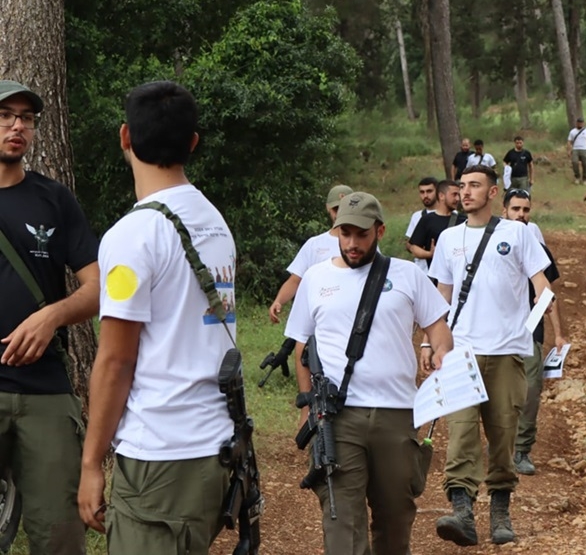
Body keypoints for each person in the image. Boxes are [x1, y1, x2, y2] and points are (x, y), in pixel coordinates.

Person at [79, 81, 235, 553]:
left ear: (125, 136)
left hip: (160, 455)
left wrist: (90, 464)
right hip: (215, 446)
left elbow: (115, 361)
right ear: (193, 143)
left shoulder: (133, 236)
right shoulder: (213, 221)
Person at [285, 191, 454, 554]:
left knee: (395, 520)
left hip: (397, 415)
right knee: (341, 521)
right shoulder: (316, 278)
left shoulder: (407, 275)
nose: (352, 243)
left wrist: (439, 351)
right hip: (338, 417)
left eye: (360, 234)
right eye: (344, 233)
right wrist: (306, 411)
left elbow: (439, 330)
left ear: (379, 231)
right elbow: (301, 347)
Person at [427, 165, 552, 547]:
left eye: (474, 186)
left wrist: (523, 333)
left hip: (506, 353)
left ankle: (500, 511)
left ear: (493, 192)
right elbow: (441, 297)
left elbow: (543, 289)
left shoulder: (518, 233)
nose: (465, 192)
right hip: (461, 352)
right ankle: (463, 512)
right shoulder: (448, 239)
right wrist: (428, 344)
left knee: (502, 434)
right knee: (461, 433)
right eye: (462, 186)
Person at [0, 80, 99, 554]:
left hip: (45, 393)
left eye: (27, 118)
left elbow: (101, 288)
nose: (17, 125)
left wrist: (51, 318)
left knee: (60, 536)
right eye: (5, 115)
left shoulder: (54, 200)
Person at [502, 189, 565, 477]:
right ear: (504, 210)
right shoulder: (491, 244)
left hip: (530, 330)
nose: (521, 215)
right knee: (497, 394)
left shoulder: (539, 249)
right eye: (515, 209)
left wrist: (558, 334)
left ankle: (522, 449)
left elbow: (550, 295)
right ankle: (500, 447)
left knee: (530, 391)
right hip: (496, 330)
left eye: (526, 210)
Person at [268, 184, 353, 323]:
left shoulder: (363, 245)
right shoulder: (314, 245)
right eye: (336, 209)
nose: (339, 214)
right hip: (318, 314)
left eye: (345, 208)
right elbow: (295, 280)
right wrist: (279, 301)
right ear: (328, 208)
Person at [408, 179, 461, 270]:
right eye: (454, 195)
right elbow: (413, 247)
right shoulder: (426, 219)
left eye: (458, 195)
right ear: (441, 196)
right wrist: (430, 254)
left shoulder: (463, 220)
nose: (457, 199)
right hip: (431, 274)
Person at [405, 177, 438, 274]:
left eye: (429, 191)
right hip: (421, 270)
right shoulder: (417, 216)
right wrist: (417, 249)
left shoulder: (453, 215)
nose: (425, 195)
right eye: (422, 192)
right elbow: (408, 243)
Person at [567, 117, 586, 184]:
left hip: (584, 149)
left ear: (583, 123)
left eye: (581, 123)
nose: (580, 124)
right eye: (579, 123)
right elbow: (569, 141)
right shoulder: (572, 131)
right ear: (577, 123)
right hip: (575, 149)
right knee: (574, 162)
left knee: (585, 164)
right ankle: (577, 177)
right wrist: (569, 150)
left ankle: (585, 179)